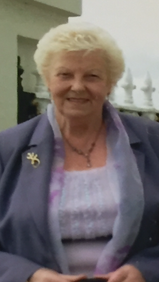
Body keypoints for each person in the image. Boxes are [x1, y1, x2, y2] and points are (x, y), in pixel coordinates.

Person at [0, 22, 159, 282]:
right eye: (64, 75)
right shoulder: (7, 149)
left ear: (110, 83)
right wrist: (30, 276)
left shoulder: (153, 141)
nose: (77, 86)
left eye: (92, 76)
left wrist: (147, 270)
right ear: (48, 80)